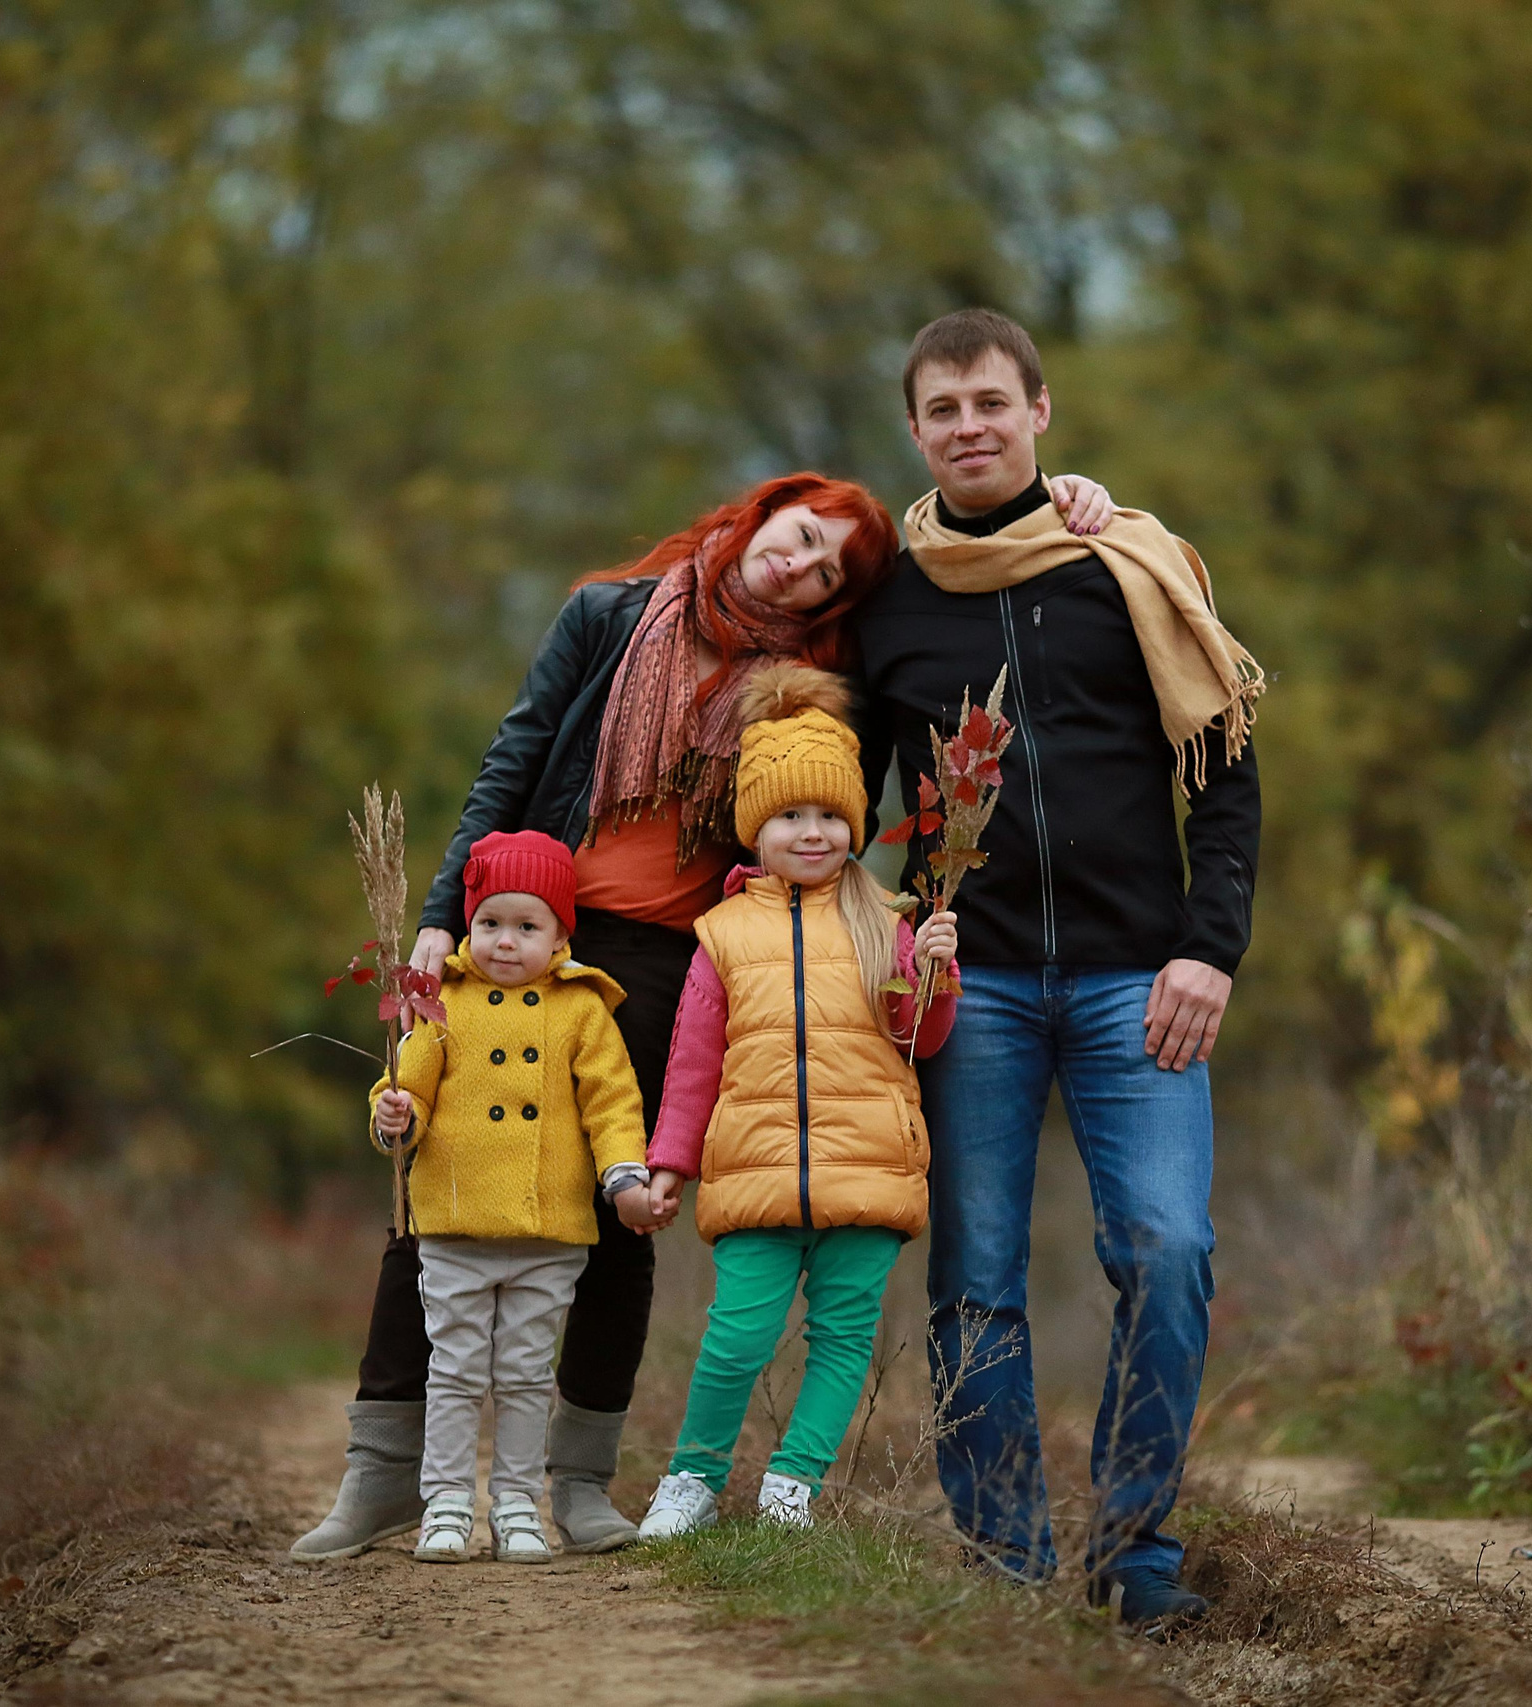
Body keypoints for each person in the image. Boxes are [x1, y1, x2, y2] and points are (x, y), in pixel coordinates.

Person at [292, 468, 1114, 1562]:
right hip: (531, 933)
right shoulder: (609, 615)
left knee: (616, 1205)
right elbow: (514, 762)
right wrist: (446, 916)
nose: (802, 566)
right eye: (804, 535)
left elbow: (835, 820)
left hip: (677, 956)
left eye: (829, 575)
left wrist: (1064, 502)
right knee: (439, 1191)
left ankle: (578, 1481)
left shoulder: (814, 687)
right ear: (763, 511)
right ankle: (384, 1471)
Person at [853, 309, 1264, 1634]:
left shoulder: (1126, 565)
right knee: (976, 1274)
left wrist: (1208, 948)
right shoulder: (887, 603)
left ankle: (1136, 1557)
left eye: (991, 401)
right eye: (943, 409)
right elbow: (839, 795)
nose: (968, 426)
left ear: (1039, 410)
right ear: (914, 431)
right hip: (966, 990)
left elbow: (1225, 777)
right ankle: (1008, 1561)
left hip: (1138, 977)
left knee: (1168, 1248)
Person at [625, 664, 960, 1537]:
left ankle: (793, 1483)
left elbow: (918, 1038)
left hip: (867, 1169)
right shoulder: (725, 933)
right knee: (736, 1336)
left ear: (854, 824)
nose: (812, 832)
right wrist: (670, 1161)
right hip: (756, 1170)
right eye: (790, 815)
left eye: (829, 816)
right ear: (756, 827)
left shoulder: (886, 918)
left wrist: (936, 974)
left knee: (844, 1338)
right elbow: (694, 1063)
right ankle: (692, 1478)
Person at [365, 830, 657, 1563]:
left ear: (560, 934)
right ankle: (446, 1501)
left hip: (547, 1231)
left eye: (527, 926)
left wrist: (623, 1174)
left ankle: (519, 1504)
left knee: (526, 1375)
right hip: (457, 1225)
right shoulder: (444, 1003)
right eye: (490, 922)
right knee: (455, 1370)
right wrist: (396, 1113)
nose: (504, 941)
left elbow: (613, 1103)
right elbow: (408, 1085)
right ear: (469, 923)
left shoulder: (582, 1008)